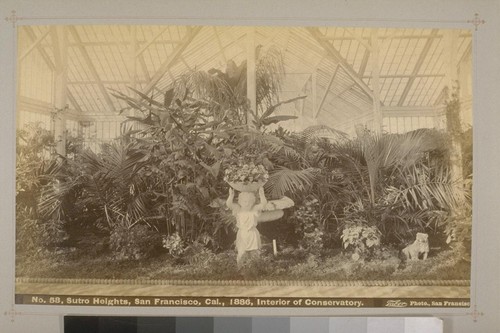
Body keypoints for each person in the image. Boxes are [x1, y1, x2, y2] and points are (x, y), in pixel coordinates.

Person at [226, 186, 267, 267]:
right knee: (241, 253)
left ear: (253, 202)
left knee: (254, 253)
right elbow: (229, 204)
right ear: (240, 202)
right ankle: (240, 270)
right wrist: (231, 196)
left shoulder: (254, 209)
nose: (247, 203)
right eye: (244, 201)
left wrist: (262, 195)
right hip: (242, 234)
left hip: (252, 234)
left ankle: (255, 270)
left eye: (249, 201)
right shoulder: (238, 209)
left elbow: (263, 205)